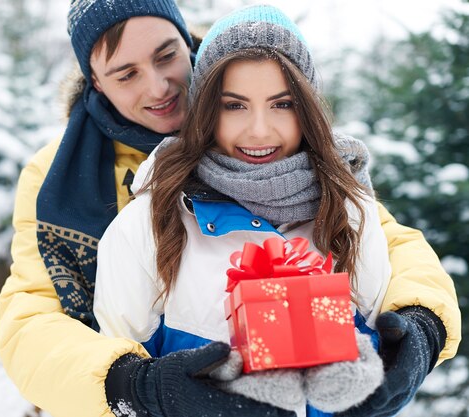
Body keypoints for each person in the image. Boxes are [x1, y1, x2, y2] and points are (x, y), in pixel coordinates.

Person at [0, 1, 461, 416]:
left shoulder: (297, 158)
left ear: (188, 45)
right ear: (95, 82)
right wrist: (134, 386)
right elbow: (32, 316)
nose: (159, 87)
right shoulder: (61, 178)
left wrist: (424, 324)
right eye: (127, 74)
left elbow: (386, 239)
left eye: (165, 57)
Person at [93, 5, 395, 416]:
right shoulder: (153, 218)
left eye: (282, 104)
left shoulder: (349, 208)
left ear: (307, 108)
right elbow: (121, 366)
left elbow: (373, 361)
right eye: (233, 105)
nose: (258, 129)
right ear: (204, 110)